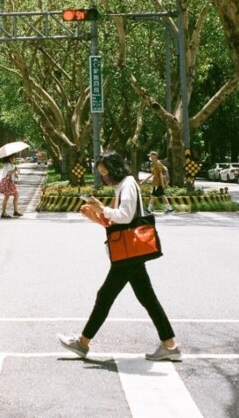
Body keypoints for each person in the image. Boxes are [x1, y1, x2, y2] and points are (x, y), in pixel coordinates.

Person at [57, 151, 181, 362]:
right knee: (146, 298)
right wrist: (98, 211)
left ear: (115, 169)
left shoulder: (128, 185)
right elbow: (117, 218)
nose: (104, 177)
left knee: (106, 296)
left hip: (128, 252)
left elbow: (125, 216)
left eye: (105, 173)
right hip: (130, 252)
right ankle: (170, 345)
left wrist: (103, 209)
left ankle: (83, 343)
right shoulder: (123, 185)